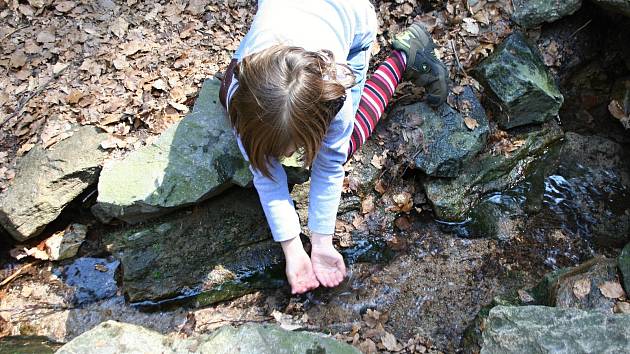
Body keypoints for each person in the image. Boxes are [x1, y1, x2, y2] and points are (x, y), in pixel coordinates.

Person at [219, 0, 448, 294]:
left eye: (293, 147)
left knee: (345, 143)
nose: (287, 157)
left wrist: (322, 242)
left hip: (351, 19)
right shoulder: (243, 100)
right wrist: (292, 250)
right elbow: (265, 173)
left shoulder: (334, 101)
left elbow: (329, 167)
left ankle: (404, 55)